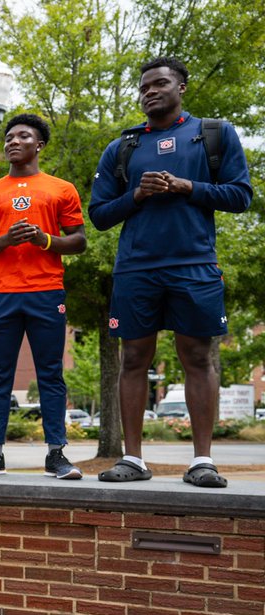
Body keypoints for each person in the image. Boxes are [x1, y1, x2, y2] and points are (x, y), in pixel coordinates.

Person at [90, 57, 253, 488]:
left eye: (160, 83)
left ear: (182, 85)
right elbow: (100, 215)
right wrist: (138, 195)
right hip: (136, 268)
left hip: (194, 265)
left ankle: (202, 461)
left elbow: (240, 196)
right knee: (134, 359)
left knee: (197, 357)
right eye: (144, 87)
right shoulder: (122, 147)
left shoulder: (214, 134)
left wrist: (187, 187)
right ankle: (133, 460)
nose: (150, 92)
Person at [0, 113, 87, 478]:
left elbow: (79, 241)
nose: (13, 142)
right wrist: (6, 240)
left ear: (40, 145)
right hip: (0, 294)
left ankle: (56, 453)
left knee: (51, 373)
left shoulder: (61, 189)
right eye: (9, 137)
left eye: (23, 136)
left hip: (47, 291)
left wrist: (42, 239)